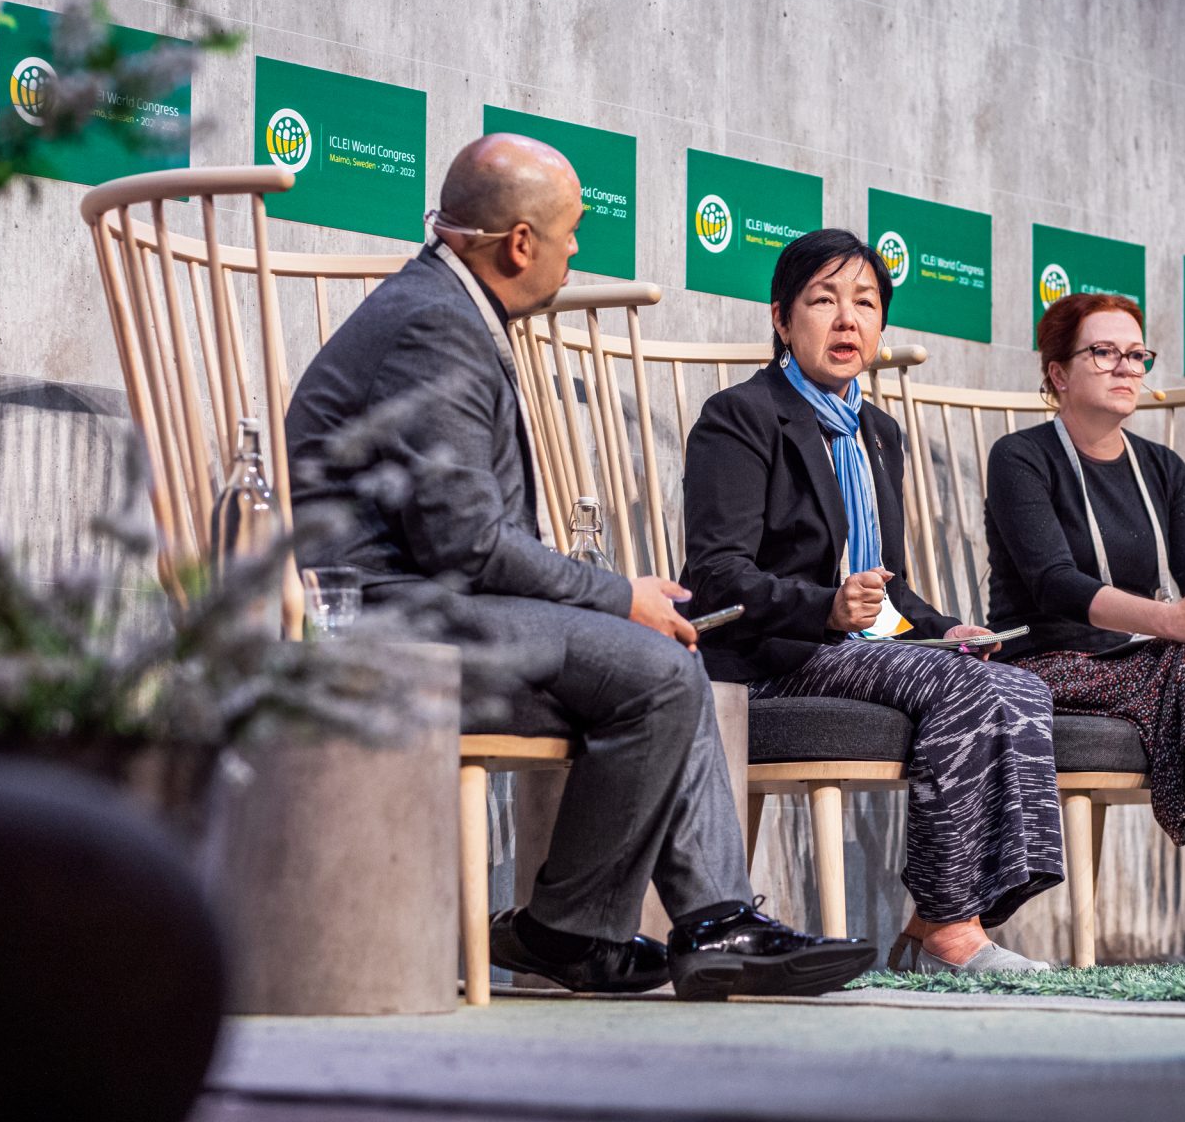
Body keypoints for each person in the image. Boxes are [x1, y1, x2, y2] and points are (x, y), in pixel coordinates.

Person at [285, 134, 874, 1000]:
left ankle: (631, 926)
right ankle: (610, 926)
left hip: (429, 599)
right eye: (570, 235)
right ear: (521, 243)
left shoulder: (446, 309)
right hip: (386, 615)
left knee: (667, 657)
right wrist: (616, 597)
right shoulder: (435, 326)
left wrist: (616, 603)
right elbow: (466, 544)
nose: (575, 253)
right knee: (657, 665)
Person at [681, 228, 1064, 974]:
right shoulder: (740, 416)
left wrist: (943, 626)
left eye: (864, 302)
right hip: (773, 656)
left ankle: (945, 917)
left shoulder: (876, 432)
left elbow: (885, 586)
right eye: (823, 301)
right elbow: (717, 574)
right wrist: (825, 606)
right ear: (781, 319)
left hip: (858, 649)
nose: (847, 320)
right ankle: (952, 929)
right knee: (957, 685)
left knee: (1016, 681)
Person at [983, 292, 1185, 952]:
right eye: (1105, 352)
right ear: (1059, 373)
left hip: (1138, 667)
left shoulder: (1162, 468)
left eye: (1136, 354)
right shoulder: (1020, 458)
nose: (1126, 367)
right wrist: (1171, 620)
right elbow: (1054, 584)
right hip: (1041, 663)